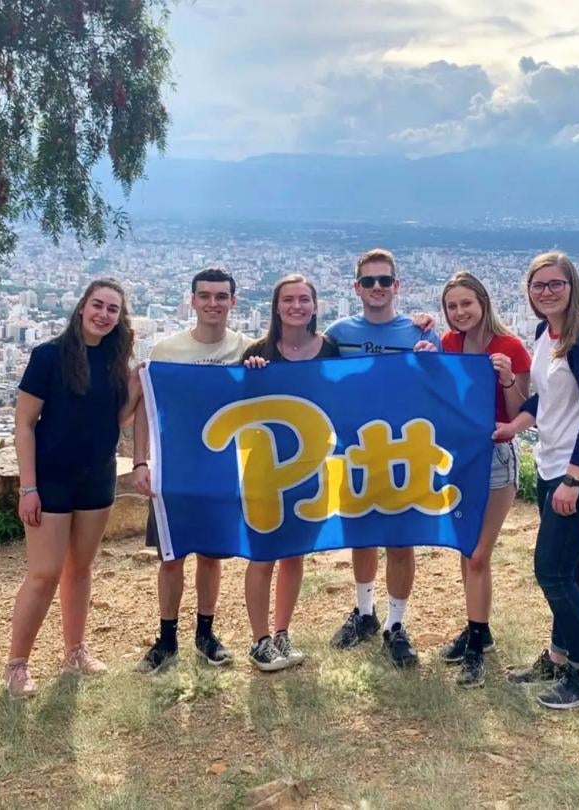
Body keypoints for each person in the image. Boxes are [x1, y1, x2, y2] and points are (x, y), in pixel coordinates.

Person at [494, 252, 579, 709]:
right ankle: (559, 655)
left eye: (556, 284)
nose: (547, 291)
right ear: (529, 292)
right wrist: (516, 425)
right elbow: (544, 398)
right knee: (570, 566)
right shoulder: (544, 334)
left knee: (550, 568)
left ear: (573, 286)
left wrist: (574, 478)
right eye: (539, 285)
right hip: (554, 463)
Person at [5, 279, 140, 698]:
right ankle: (16, 665)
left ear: (120, 318)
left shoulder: (117, 361)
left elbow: (116, 420)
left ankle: (75, 650)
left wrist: (135, 388)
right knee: (44, 573)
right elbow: (24, 423)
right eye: (97, 305)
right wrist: (29, 487)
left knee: (79, 569)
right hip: (51, 476)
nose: (104, 314)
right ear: (82, 307)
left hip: (97, 474)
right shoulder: (48, 356)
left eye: (112, 309)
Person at [133, 267, 253, 673]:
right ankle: (166, 639)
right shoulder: (166, 351)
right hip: (174, 466)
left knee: (211, 556)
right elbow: (144, 410)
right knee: (171, 555)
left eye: (222, 296)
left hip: (223, 467)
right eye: (206, 296)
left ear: (233, 301)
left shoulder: (247, 348)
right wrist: (140, 462)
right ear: (192, 300)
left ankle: (205, 633)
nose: (213, 303)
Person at [325, 248, 440, 668]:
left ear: (397, 286)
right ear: (357, 287)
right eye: (369, 281)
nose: (377, 288)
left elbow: (442, 384)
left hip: (403, 450)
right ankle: (365, 612)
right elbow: (307, 374)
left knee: (400, 540)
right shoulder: (337, 334)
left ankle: (395, 623)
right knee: (361, 534)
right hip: (354, 449)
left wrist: (434, 360)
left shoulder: (419, 333)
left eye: (384, 281)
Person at [240, 274, 340, 672]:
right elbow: (237, 404)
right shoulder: (258, 352)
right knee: (262, 553)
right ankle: (259, 638)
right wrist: (251, 372)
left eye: (304, 299)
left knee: (295, 554)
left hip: (312, 466)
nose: (296, 306)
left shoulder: (329, 350)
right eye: (288, 300)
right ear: (276, 307)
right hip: (264, 467)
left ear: (315, 306)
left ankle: (283, 631)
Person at [438, 271, 531, 688]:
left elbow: (519, 413)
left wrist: (508, 378)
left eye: (466, 304)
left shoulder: (509, 346)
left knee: (478, 554)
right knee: (466, 549)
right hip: (459, 457)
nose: (460, 313)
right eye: (452, 306)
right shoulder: (448, 344)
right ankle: (480, 629)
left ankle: (476, 646)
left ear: (483, 303)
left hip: (495, 456)